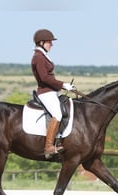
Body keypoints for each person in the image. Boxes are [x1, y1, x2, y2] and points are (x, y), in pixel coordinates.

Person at [31, 29, 75, 159]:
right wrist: (63, 85)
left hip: (51, 92)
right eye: (49, 42)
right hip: (45, 92)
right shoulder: (38, 57)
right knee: (58, 113)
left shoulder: (42, 55)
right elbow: (44, 78)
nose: (52, 44)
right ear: (41, 42)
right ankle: (49, 147)